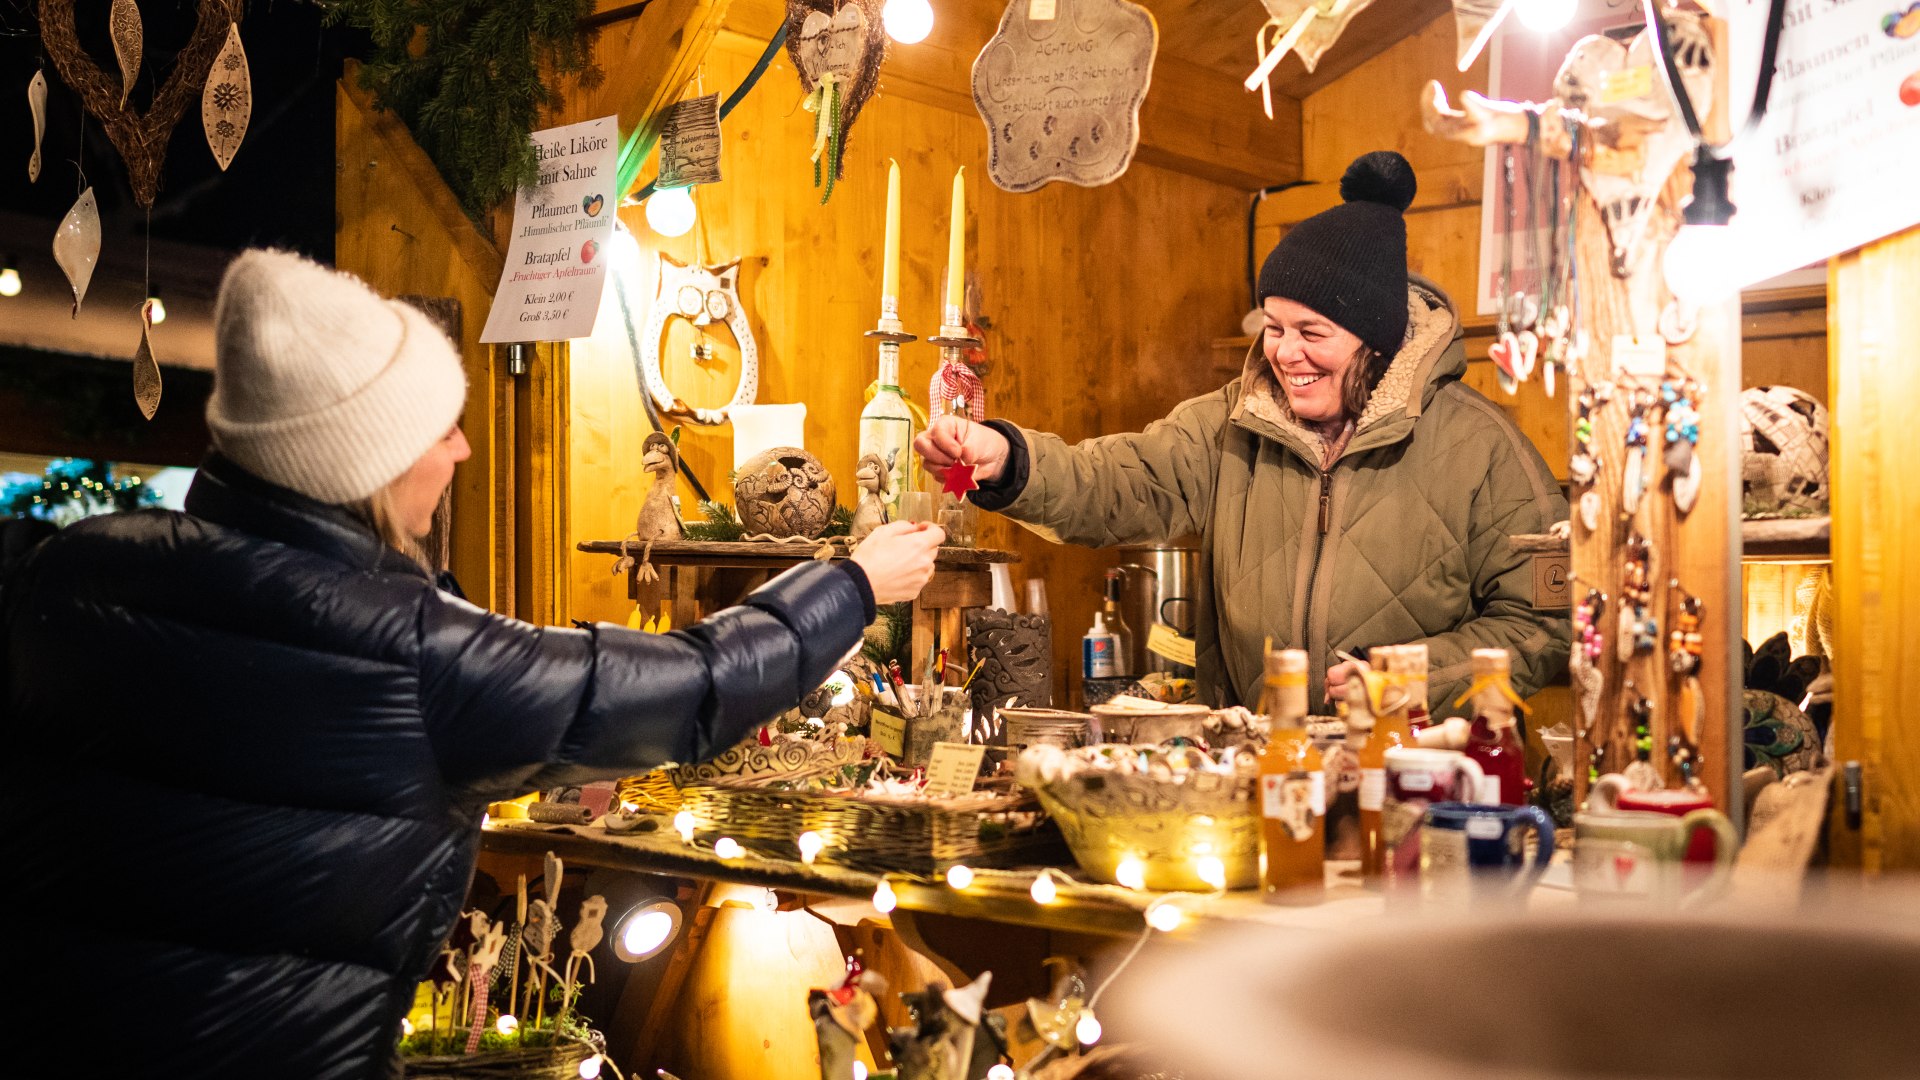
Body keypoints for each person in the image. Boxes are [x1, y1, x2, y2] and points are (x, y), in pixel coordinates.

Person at [1, 249, 944, 1078]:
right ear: (361, 456)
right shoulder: (411, 652)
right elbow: (693, 687)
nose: (460, 446)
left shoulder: (74, 572)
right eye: (435, 427)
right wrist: (853, 584)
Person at [916, 151, 1569, 715]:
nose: (1286, 354)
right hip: (1260, 781)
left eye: (1313, 333)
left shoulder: (1482, 448)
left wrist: (1412, 679)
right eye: (1275, 327)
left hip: (1420, 793)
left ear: (1378, 340)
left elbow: (1544, 624)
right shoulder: (1230, 421)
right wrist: (1008, 458)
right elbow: (1120, 480)